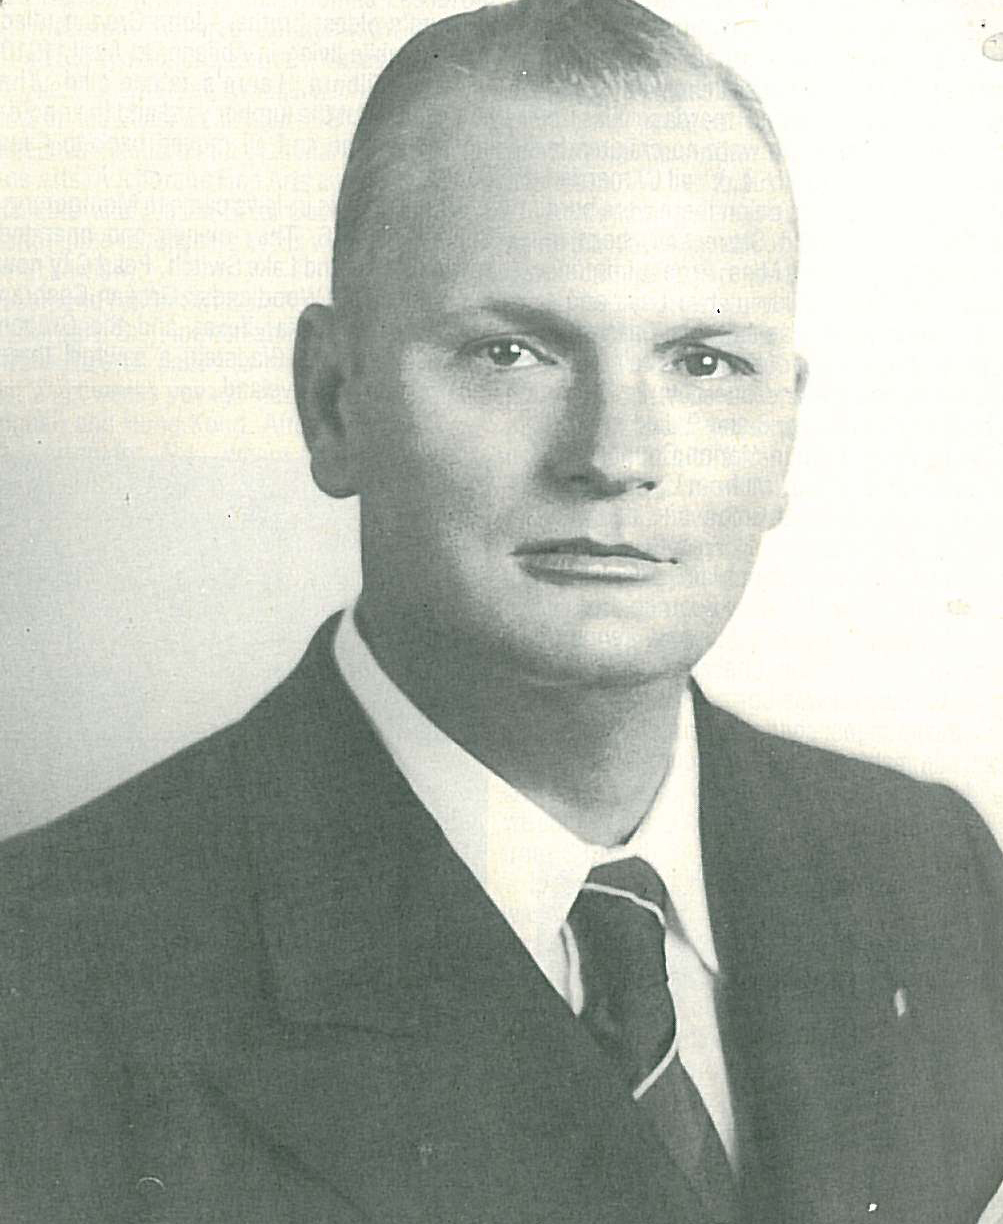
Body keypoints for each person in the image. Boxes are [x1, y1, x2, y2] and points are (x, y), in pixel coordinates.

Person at [2, 2, 1001, 1221]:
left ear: (784, 429)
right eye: (512, 353)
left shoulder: (929, 876)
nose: (615, 455)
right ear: (333, 401)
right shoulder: (48, 976)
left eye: (702, 361)